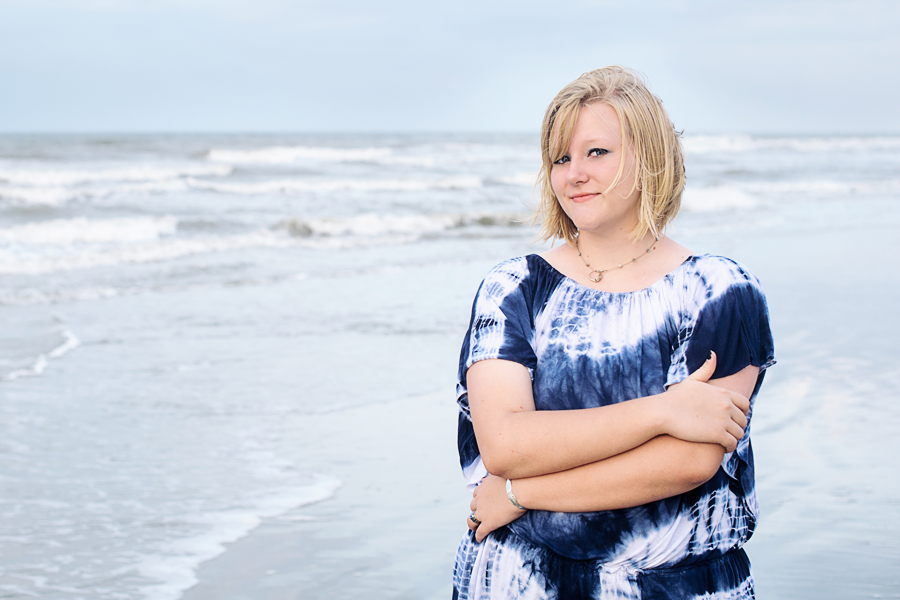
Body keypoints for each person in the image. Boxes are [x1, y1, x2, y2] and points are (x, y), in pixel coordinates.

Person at [452, 66, 775, 600]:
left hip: (677, 586)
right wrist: (663, 411)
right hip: (519, 580)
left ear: (649, 157)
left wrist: (518, 494)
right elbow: (505, 445)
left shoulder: (721, 290)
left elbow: (687, 462)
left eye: (596, 152)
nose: (574, 173)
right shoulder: (513, 287)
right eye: (560, 158)